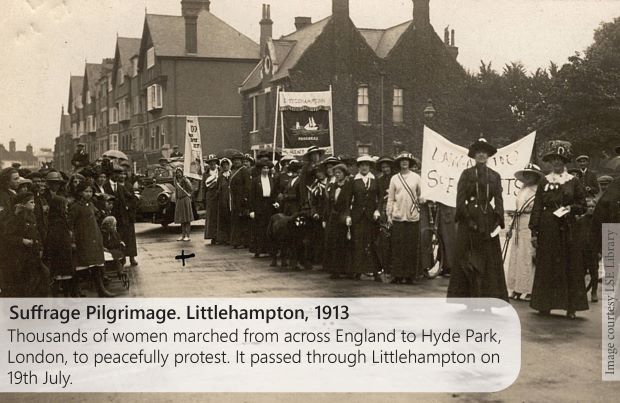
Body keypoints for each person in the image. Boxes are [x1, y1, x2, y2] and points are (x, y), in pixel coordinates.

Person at [529, 140, 588, 319]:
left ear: (565, 161)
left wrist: (571, 209)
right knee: (546, 264)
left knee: (570, 264)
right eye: (554, 159)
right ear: (550, 161)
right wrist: (534, 231)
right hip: (548, 228)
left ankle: (571, 307)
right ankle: (544, 304)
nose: (557, 163)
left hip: (567, 228)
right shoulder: (544, 181)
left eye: (560, 159)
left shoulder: (574, 181)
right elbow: (537, 206)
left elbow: (582, 205)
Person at [448, 138, 508, 301]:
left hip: (487, 218)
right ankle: (468, 296)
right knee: (466, 257)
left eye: (484, 152)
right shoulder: (466, 174)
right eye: (478, 152)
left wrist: (498, 217)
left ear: (488, 155)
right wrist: (467, 218)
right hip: (469, 218)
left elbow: (499, 199)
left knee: (488, 259)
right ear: (474, 155)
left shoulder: (495, 176)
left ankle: (488, 297)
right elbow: (460, 199)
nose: (481, 155)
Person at [505, 163, 544, 301]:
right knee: (516, 256)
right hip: (518, 224)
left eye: (531, 174)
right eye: (526, 174)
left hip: (530, 224)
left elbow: (538, 210)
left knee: (528, 256)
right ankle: (516, 288)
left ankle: (529, 290)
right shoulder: (522, 189)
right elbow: (517, 209)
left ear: (536, 176)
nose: (528, 177)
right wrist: (510, 227)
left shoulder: (539, 190)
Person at [69, 182, 114, 297]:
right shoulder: (75, 207)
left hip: (94, 237)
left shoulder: (91, 204)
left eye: (90, 191)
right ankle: (75, 292)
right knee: (81, 267)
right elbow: (71, 225)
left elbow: (98, 216)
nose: (88, 194)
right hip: (83, 239)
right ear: (80, 193)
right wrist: (73, 241)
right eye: (86, 191)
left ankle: (101, 290)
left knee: (96, 267)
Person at [387, 152, 422, 284]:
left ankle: (410, 275)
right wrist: (389, 214)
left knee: (411, 246)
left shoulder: (416, 178)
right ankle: (397, 274)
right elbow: (391, 198)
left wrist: (422, 198)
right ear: (399, 163)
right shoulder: (394, 179)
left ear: (410, 163)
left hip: (412, 216)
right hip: (398, 216)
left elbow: (420, 194)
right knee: (398, 246)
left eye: (406, 161)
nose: (404, 163)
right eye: (402, 161)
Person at [3, 192, 45, 297]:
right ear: (22, 204)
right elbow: (7, 237)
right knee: (23, 283)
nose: (34, 204)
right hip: (20, 257)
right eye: (31, 202)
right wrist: (22, 240)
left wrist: (39, 248)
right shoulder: (15, 218)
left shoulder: (32, 215)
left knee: (39, 278)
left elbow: (36, 233)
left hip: (32, 254)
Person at [349, 155, 381, 281]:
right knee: (358, 243)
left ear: (370, 167)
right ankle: (357, 270)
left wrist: (378, 210)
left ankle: (375, 271)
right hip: (357, 217)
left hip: (371, 217)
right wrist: (348, 215)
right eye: (361, 165)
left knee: (372, 243)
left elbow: (381, 197)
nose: (364, 167)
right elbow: (347, 199)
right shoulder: (353, 181)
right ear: (358, 167)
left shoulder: (375, 180)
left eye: (366, 165)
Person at [324, 164, 353, 279]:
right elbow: (329, 203)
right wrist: (326, 217)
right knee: (334, 243)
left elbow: (351, 201)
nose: (337, 175)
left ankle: (347, 269)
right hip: (334, 217)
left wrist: (348, 216)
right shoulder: (333, 186)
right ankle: (335, 269)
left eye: (339, 172)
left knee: (345, 243)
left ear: (344, 174)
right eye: (335, 173)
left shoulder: (349, 185)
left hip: (344, 217)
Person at [45, 194, 75, 296]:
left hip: (64, 251)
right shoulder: (56, 222)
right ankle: (58, 299)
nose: (66, 207)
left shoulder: (60, 219)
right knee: (59, 277)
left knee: (65, 276)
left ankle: (66, 297)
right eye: (65, 205)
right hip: (59, 253)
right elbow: (55, 239)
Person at [249, 160, 276, 257]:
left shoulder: (272, 180)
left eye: (267, 168)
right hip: (259, 205)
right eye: (264, 168)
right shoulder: (256, 181)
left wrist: (275, 202)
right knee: (259, 228)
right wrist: (252, 210)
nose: (266, 170)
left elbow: (274, 193)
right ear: (260, 169)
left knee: (268, 228)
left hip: (268, 205)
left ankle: (268, 249)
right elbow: (252, 196)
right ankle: (258, 249)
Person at [376, 156, 394, 276]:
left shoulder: (396, 178)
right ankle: (385, 265)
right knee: (384, 237)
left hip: (396, 207)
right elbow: (378, 195)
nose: (385, 169)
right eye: (383, 167)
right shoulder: (380, 180)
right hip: (384, 207)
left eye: (387, 167)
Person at [229, 152, 251, 249]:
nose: (236, 162)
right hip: (234, 199)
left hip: (242, 199)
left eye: (238, 160)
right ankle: (236, 240)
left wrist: (245, 198)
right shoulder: (233, 171)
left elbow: (247, 185)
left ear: (241, 161)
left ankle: (244, 241)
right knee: (236, 220)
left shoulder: (244, 171)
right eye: (234, 160)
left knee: (243, 220)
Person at [173, 168, 195, 242]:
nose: (178, 174)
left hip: (185, 199)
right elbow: (176, 191)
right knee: (182, 219)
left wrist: (186, 180)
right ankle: (183, 235)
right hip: (180, 200)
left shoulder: (185, 180)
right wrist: (176, 200)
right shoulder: (176, 181)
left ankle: (188, 236)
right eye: (177, 172)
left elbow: (191, 188)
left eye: (180, 172)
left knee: (187, 219)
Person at [203, 154, 220, 244]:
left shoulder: (220, 172)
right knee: (211, 216)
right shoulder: (206, 174)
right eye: (210, 163)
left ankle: (219, 236)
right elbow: (203, 187)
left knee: (218, 215)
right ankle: (212, 236)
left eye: (213, 162)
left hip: (219, 195)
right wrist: (202, 199)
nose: (212, 164)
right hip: (210, 196)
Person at [216, 158, 232, 245]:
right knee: (223, 219)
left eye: (226, 164)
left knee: (231, 218)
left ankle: (231, 237)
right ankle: (224, 238)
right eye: (223, 165)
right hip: (223, 200)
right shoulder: (220, 176)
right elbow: (218, 188)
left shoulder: (232, 175)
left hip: (231, 200)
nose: (225, 166)